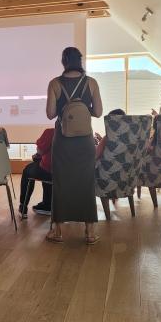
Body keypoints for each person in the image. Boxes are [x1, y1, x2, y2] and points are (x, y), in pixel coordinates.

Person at [46, 47, 103, 244]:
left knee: (61, 183)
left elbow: (50, 114)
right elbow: (98, 112)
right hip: (85, 141)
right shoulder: (91, 82)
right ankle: (90, 232)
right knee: (86, 183)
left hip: (63, 141)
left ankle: (58, 231)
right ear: (80, 61)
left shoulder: (54, 83)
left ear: (64, 61)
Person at [19, 128, 54, 218]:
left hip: (49, 170)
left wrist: (38, 155)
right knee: (44, 168)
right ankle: (47, 204)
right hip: (68, 173)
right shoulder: (81, 135)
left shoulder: (51, 132)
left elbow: (40, 151)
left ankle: (23, 206)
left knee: (28, 170)